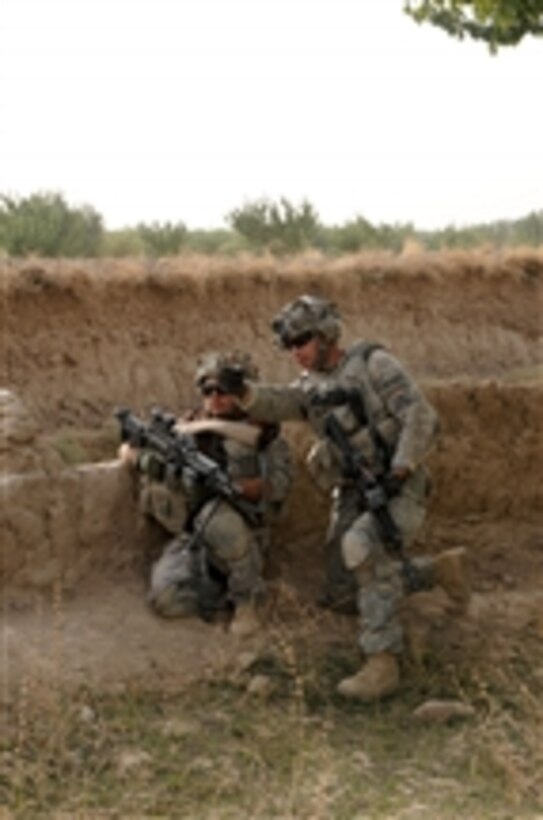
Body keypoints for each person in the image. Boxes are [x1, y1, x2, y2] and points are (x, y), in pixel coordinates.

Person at [231, 294, 470, 700]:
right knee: (343, 593)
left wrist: (401, 468)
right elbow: (283, 402)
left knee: (359, 546)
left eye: (302, 341)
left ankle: (383, 663)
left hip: (399, 487)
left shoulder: (373, 364)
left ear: (326, 335)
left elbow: (419, 416)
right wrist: (243, 392)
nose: (296, 352)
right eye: (289, 346)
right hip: (356, 489)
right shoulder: (311, 385)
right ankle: (436, 572)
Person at [118, 351, 293, 638]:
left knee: (220, 520)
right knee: (166, 600)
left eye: (224, 390)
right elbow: (141, 456)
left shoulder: (263, 435)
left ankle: (248, 602)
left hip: (243, 534)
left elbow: (279, 485)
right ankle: (218, 594)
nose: (215, 397)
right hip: (194, 538)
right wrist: (134, 454)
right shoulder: (187, 430)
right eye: (208, 389)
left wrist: (236, 487)